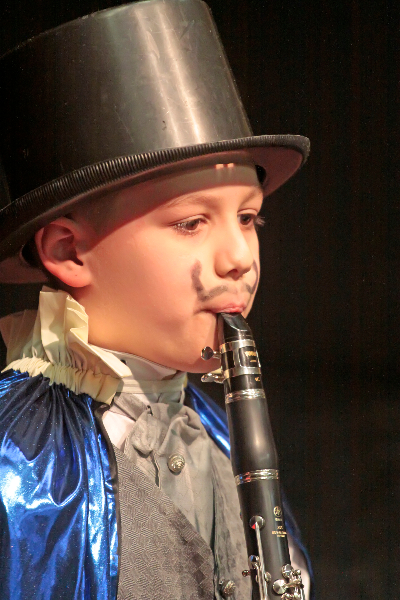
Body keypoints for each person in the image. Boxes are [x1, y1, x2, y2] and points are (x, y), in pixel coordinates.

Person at [0, 1, 313, 598]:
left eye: (249, 218)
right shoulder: (17, 466)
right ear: (69, 250)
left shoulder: (216, 433)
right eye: (191, 223)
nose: (239, 258)